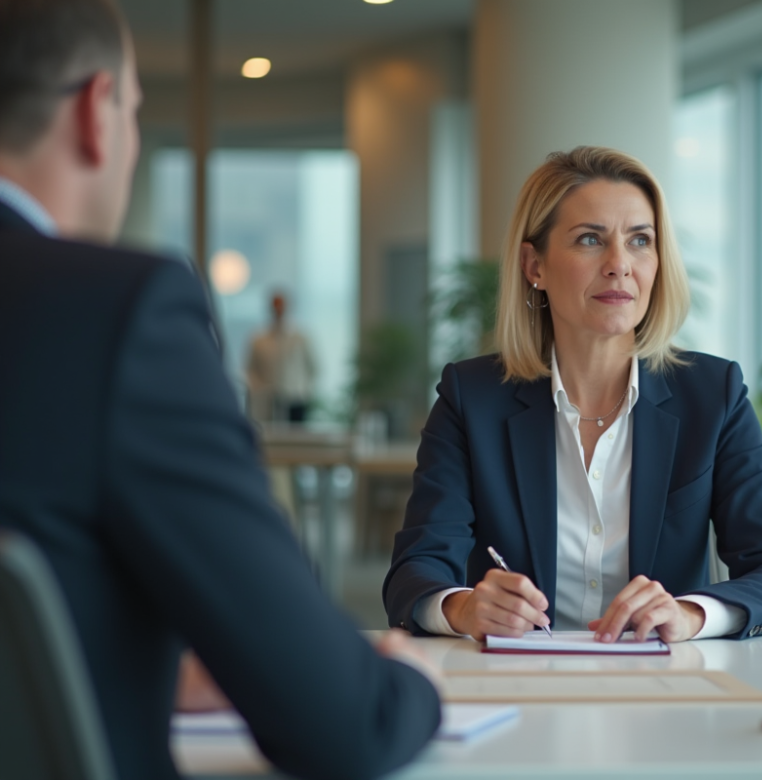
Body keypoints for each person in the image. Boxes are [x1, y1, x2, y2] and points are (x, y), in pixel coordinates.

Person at [0, 2, 440, 779]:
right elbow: (343, 726)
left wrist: (140, 667)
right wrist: (410, 687)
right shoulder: (117, 311)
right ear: (96, 113)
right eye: (135, 110)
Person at [384, 146, 762, 643]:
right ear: (534, 266)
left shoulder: (712, 395)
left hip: (666, 691)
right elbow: (414, 571)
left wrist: (691, 615)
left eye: (639, 241)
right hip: (519, 689)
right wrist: (462, 608)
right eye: (590, 239)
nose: (619, 264)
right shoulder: (471, 398)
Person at [246, 291, 317, 423]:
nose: (278, 310)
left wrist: (304, 391)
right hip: (267, 401)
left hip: (296, 400)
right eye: (275, 306)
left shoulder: (301, 338)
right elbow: (250, 369)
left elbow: (313, 367)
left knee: (296, 438)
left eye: (281, 305)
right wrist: (259, 389)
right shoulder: (258, 340)